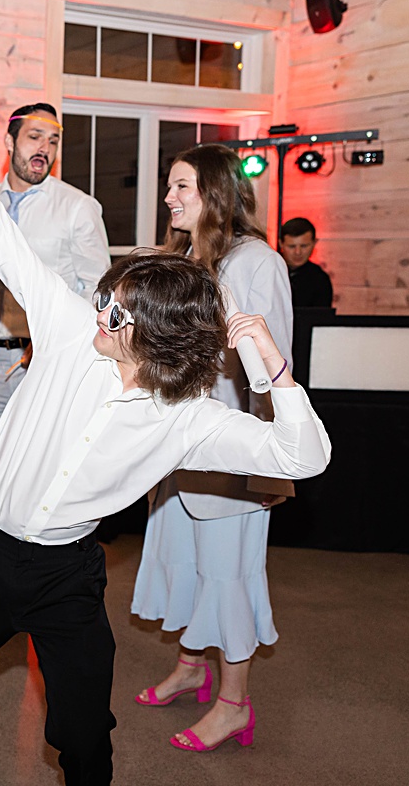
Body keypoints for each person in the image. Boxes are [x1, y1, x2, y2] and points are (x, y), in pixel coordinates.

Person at [0, 77, 330, 786]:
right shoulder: (71, 328)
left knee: (81, 726)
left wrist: (274, 370)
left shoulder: (190, 419)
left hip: (65, 573)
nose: (100, 312)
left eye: (117, 312)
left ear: (156, 337)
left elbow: (304, 454)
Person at [129, 144, 295, 752]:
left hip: (231, 450)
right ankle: (192, 668)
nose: (168, 198)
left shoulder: (258, 262)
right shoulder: (182, 256)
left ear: (216, 194)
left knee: (229, 574)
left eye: (180, 188)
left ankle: (234, 705)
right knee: (185, 561)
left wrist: (265, 462)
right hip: (175, 448)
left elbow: (273, 366)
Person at [0, 102, 110, 472]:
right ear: (9, 141)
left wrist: (57, 338)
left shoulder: (78, 207)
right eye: (35, 137)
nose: (44, 149)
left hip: (46, 360)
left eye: (52, 141)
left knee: (38, 471)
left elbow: (97, 289)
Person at [279, 217, 334, 308]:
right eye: (292, 246)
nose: (298, 252)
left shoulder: (319, 279)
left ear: (314, 243)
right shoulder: (269, 271)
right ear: (281, 244)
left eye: (304, 246)